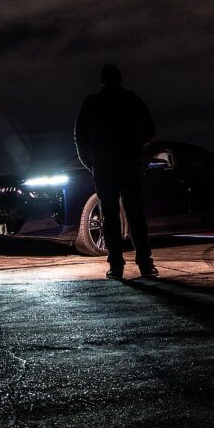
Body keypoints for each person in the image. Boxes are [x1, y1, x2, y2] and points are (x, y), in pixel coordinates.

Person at [74, 63, 158, 279]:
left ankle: (116, 266)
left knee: (109, 216)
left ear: (101, 80)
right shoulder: (132, 99)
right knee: (136, 215)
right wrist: (136, 148)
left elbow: (80, 136)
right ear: (119, 79)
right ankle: (145, 264)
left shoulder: (91, 102)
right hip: (129, 164)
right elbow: (150, 130)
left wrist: (89, 162)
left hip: (103, 167)